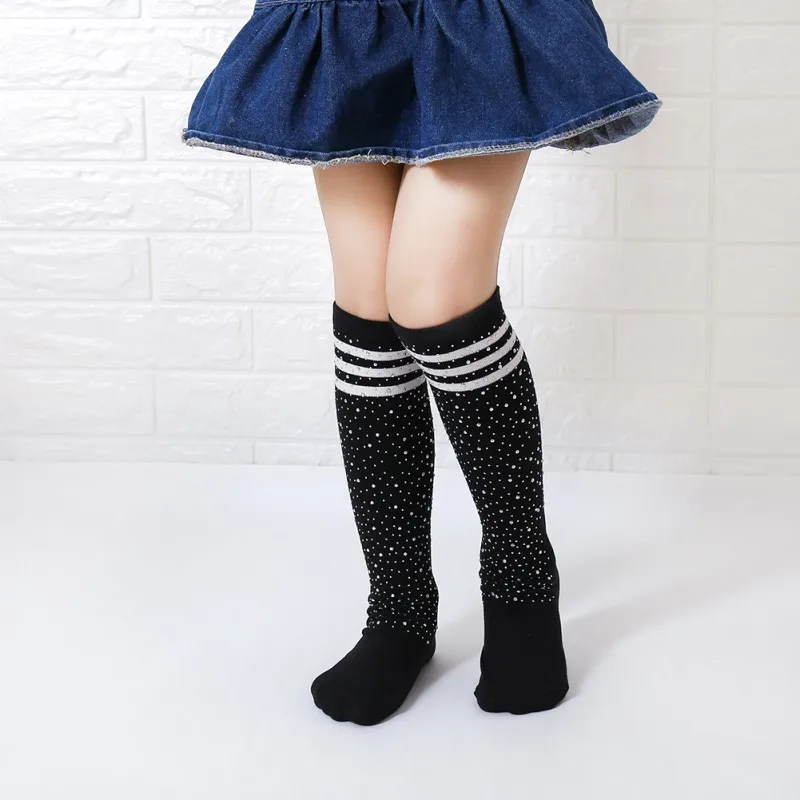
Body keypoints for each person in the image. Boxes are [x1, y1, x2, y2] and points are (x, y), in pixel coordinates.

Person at [182, 0, 662, 725]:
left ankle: (522, 583)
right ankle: (399, 609)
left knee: (435, 302)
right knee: (369, 310)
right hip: (344, 15)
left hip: (475, 14)